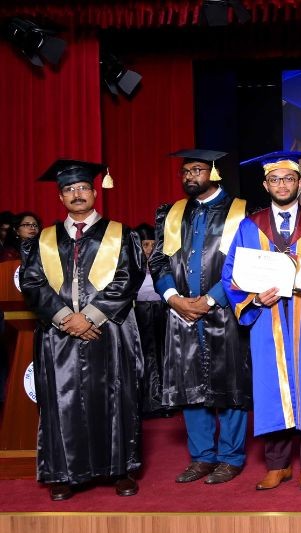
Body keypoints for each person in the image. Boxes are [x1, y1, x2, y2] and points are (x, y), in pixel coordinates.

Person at [20, 160, 144, 500]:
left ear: (94, 193)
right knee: (62, 399)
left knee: (114, 395)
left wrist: (90, 316)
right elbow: (32, 283)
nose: (77, 194)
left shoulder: (121, 234)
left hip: (108, 330)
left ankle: (120, 468)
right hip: (58, 333)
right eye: (69, 189)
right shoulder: (44, 239)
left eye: (83, 188)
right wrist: (66, 318)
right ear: (60, 197)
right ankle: (63, 472)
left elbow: (128, 278)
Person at [223, 151, 301, 491]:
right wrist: (253, 299)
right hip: (268, 317)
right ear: (265, 185)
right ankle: (277, 465)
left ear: (299, 183)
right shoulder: (250, 226)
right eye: (274, 179)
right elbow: (231, 274)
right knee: (272, 387)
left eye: (288, 178)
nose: (282, 185)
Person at [148, 149, 252, 485]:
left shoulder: (241, 211)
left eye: (197, 170)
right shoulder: (172, 213)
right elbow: (159, 261)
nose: (190, 176)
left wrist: (210, 300)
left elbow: (247, 262)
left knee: (231, 384)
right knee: (189, 385)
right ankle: (202, 456)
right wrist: (173, 297)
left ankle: (231, 457)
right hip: (181, 313)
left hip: (225, 311)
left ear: (214, 172)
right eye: (185, 171)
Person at [133, 223, 170, 417]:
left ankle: (163, 401)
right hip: (138, 313)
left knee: (163, 354)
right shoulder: (130, 265)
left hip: (161, 311)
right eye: (145, 244)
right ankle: (145, 402)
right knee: (144, 356)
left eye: (153, 245)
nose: (149, 249)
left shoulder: (162, 265)